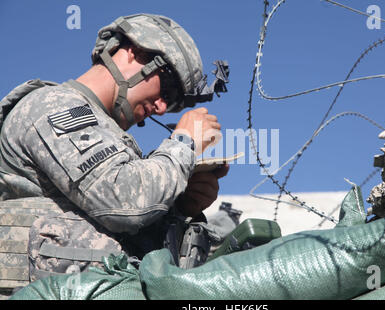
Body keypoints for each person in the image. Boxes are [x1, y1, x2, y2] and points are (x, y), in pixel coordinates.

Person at [0, 13, 229, 280]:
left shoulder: (104, 130)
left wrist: (181, 205)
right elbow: (124, 204)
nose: (162, 107)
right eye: (166, 88)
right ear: (134, 52)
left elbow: (128, 237)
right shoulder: (53, 106)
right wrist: (183, 143)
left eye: (174, 101)